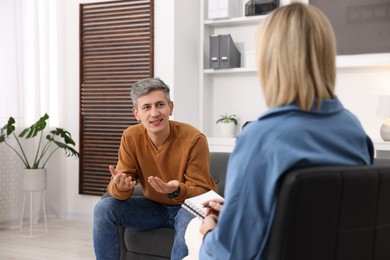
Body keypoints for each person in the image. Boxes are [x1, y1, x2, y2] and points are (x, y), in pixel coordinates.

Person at [185, 2, 374, 259]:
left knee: (193, 229)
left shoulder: (260, 139)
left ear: (270, 61)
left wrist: (209, 232)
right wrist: (234, 213)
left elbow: (230, 254)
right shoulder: (354, 132)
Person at [93, 77, 218, 260]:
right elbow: (120, 185)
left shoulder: (194, 138)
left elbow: (201, 192)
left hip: (193, 205)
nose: (154, 113)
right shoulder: (131, 136)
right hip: (155, 207)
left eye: (160, 105)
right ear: (136, 114)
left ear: (170, 107)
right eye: (146, 107)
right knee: (104, 208)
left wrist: (175, 190)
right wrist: (121, 186)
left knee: (185, 218)